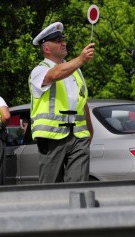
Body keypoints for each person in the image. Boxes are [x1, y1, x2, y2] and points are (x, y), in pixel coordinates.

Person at [29, 22, 94, 183]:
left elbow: (83, 103)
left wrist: (89, 134)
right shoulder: (39, 70)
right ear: (46, 48)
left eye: (63, 39)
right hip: (52, 138)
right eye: (57, 40)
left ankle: (77, 209)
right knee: (51, 189)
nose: (63, 42)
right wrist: (80, 59)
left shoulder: (75, 71)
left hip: (78, 136)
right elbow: (54, 75)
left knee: (79, 187)